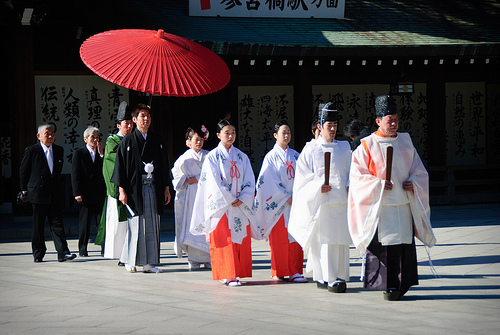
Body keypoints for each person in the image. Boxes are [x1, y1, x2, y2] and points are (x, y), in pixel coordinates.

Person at [348, 95, 436, 301]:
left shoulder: (405, 140)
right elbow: (357, 176)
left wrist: (413, 181)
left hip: (403, 203)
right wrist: (377, 184)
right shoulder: (367, 144)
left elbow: (419, 170)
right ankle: (388, 286)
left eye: (396, 118)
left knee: (403, 246)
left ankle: (401, 285)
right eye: (389, 119)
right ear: (378, 121)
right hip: (382, 206)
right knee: (386, 247)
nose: (394, 122)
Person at [288, 102, 352, 293]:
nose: (332, 129)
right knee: (325, 242)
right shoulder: (311, 149)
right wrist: (317, 186)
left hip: (341, 202)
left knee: (340, 242)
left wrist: (350, 186)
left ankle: (337, 276)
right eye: (328, 126)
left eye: (334, 126)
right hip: (322, 204)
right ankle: (328, 277)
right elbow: (301, 178)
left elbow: (351, 171)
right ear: (319, 126)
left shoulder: (344, 148)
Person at [190, 119, 256, 287]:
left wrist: (243, 197)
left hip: (239, 204)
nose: (231, 135)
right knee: (224, 239)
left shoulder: (242, 157)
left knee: (238, 238)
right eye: (227, 132)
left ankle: (237, 273)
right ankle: (226, 273)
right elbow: (212, 181)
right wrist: (229, 198)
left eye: (233, 132)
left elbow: (249, 179)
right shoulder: (212, 157)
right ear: (219, 135)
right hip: (222, 206)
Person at [111, 103, 172, 273]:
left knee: (152, 224)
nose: (146, 119)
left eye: (148, 116)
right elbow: (120, 167)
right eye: (142, 116)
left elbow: (164, 164)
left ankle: (149, 263)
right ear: (134, 119)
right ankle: (130, 260)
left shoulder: (157, 140)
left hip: (153, 186)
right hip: (134, 188)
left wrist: (166, 187)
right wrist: (121, 190)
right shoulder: (128, 141)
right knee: (135, 225)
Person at [254, 121, 307, 282]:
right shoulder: (270, 157)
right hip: (279, 206)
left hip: (295, 204)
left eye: (288, 132)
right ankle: (279, 270)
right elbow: (266, 181)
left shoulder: (297, 155)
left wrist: (297, 195)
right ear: (275, 135)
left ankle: (294, 271)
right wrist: (285, 197)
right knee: (280, 239)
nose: (286, 135)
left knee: (294, 238)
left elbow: (304, 177)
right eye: (283, 132)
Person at [19, 123, 77, 262]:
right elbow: (23, 171)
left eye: (52, 134)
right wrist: (23, 190)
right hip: (37, 194)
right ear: (39, 136)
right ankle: (38, 253)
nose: (50, 136)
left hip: (54, 193)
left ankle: (63, 252)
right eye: (47, 134)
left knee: (57, 224)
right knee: (38, 226)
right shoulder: (32, 150)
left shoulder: (58, 150)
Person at [94, 102, 133, 263]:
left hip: (132, 187)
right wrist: (119, 188)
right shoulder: (113, 141)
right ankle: (119, 254)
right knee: (118, 225)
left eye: (131, 122)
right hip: (119, 188)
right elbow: (111, 166)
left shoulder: (134, 139)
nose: (129, 126)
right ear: (118, 125)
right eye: (126, 123)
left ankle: (130, 252)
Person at [171, 125, 211, 270]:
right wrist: (186, 180)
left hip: (206, 194)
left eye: (201, 139)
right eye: (196, 139)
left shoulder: (209, 156)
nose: (199, 142)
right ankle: (193, 259)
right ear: (189, 141)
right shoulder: (185, 158)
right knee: (192, 223)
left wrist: (199, 177)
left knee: (206, 223)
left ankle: (208, 258)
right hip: (191, 196)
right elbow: (176, 173)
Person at [71, 126, 106, 257]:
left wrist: (102, 155)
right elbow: (75, 175)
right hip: (85, 194)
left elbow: (105, 170)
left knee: (101, 223)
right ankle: (83, 249)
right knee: (84, 223)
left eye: (97, 137)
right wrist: (76, 193)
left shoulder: (102, 153)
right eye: (93, 137)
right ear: (85, 139)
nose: (96, 139)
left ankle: (104, 248)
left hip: (99, 193)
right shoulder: (79, 153)